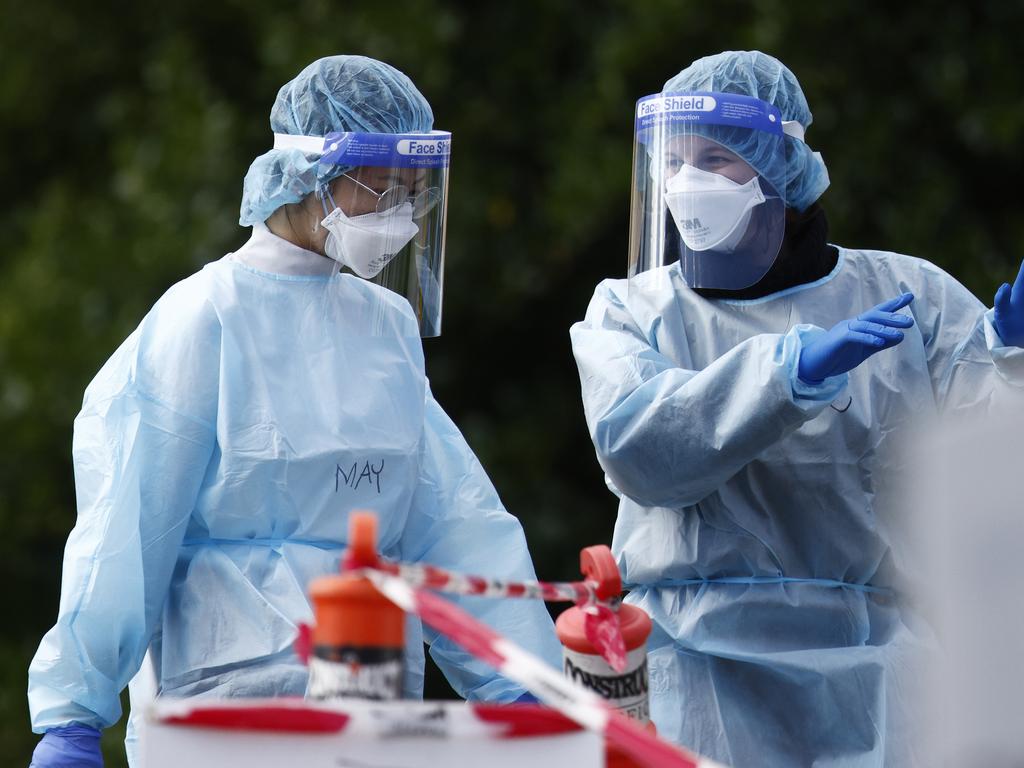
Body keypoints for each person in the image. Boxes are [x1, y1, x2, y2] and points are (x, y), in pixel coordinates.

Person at [28, 55, 561, 768]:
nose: (400, 217)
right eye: (383, 189)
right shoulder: (203, 317)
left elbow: (454, 522)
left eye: (412, 194)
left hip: (371, 715)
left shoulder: (386, 327)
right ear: (311, 171)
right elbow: (126, 532)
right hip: (224, 717)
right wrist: (72, 716)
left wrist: (523, 683)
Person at [570, 50, 1024, 767]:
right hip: (696, 670)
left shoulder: (910, 299)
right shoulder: (630, 309)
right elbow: (642, 451)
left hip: (874, 673)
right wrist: (785, 374)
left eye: (715, 158)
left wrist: (1012, 363)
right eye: (675, 159)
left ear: (779, 164)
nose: (687, 183)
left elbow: (991, 481)